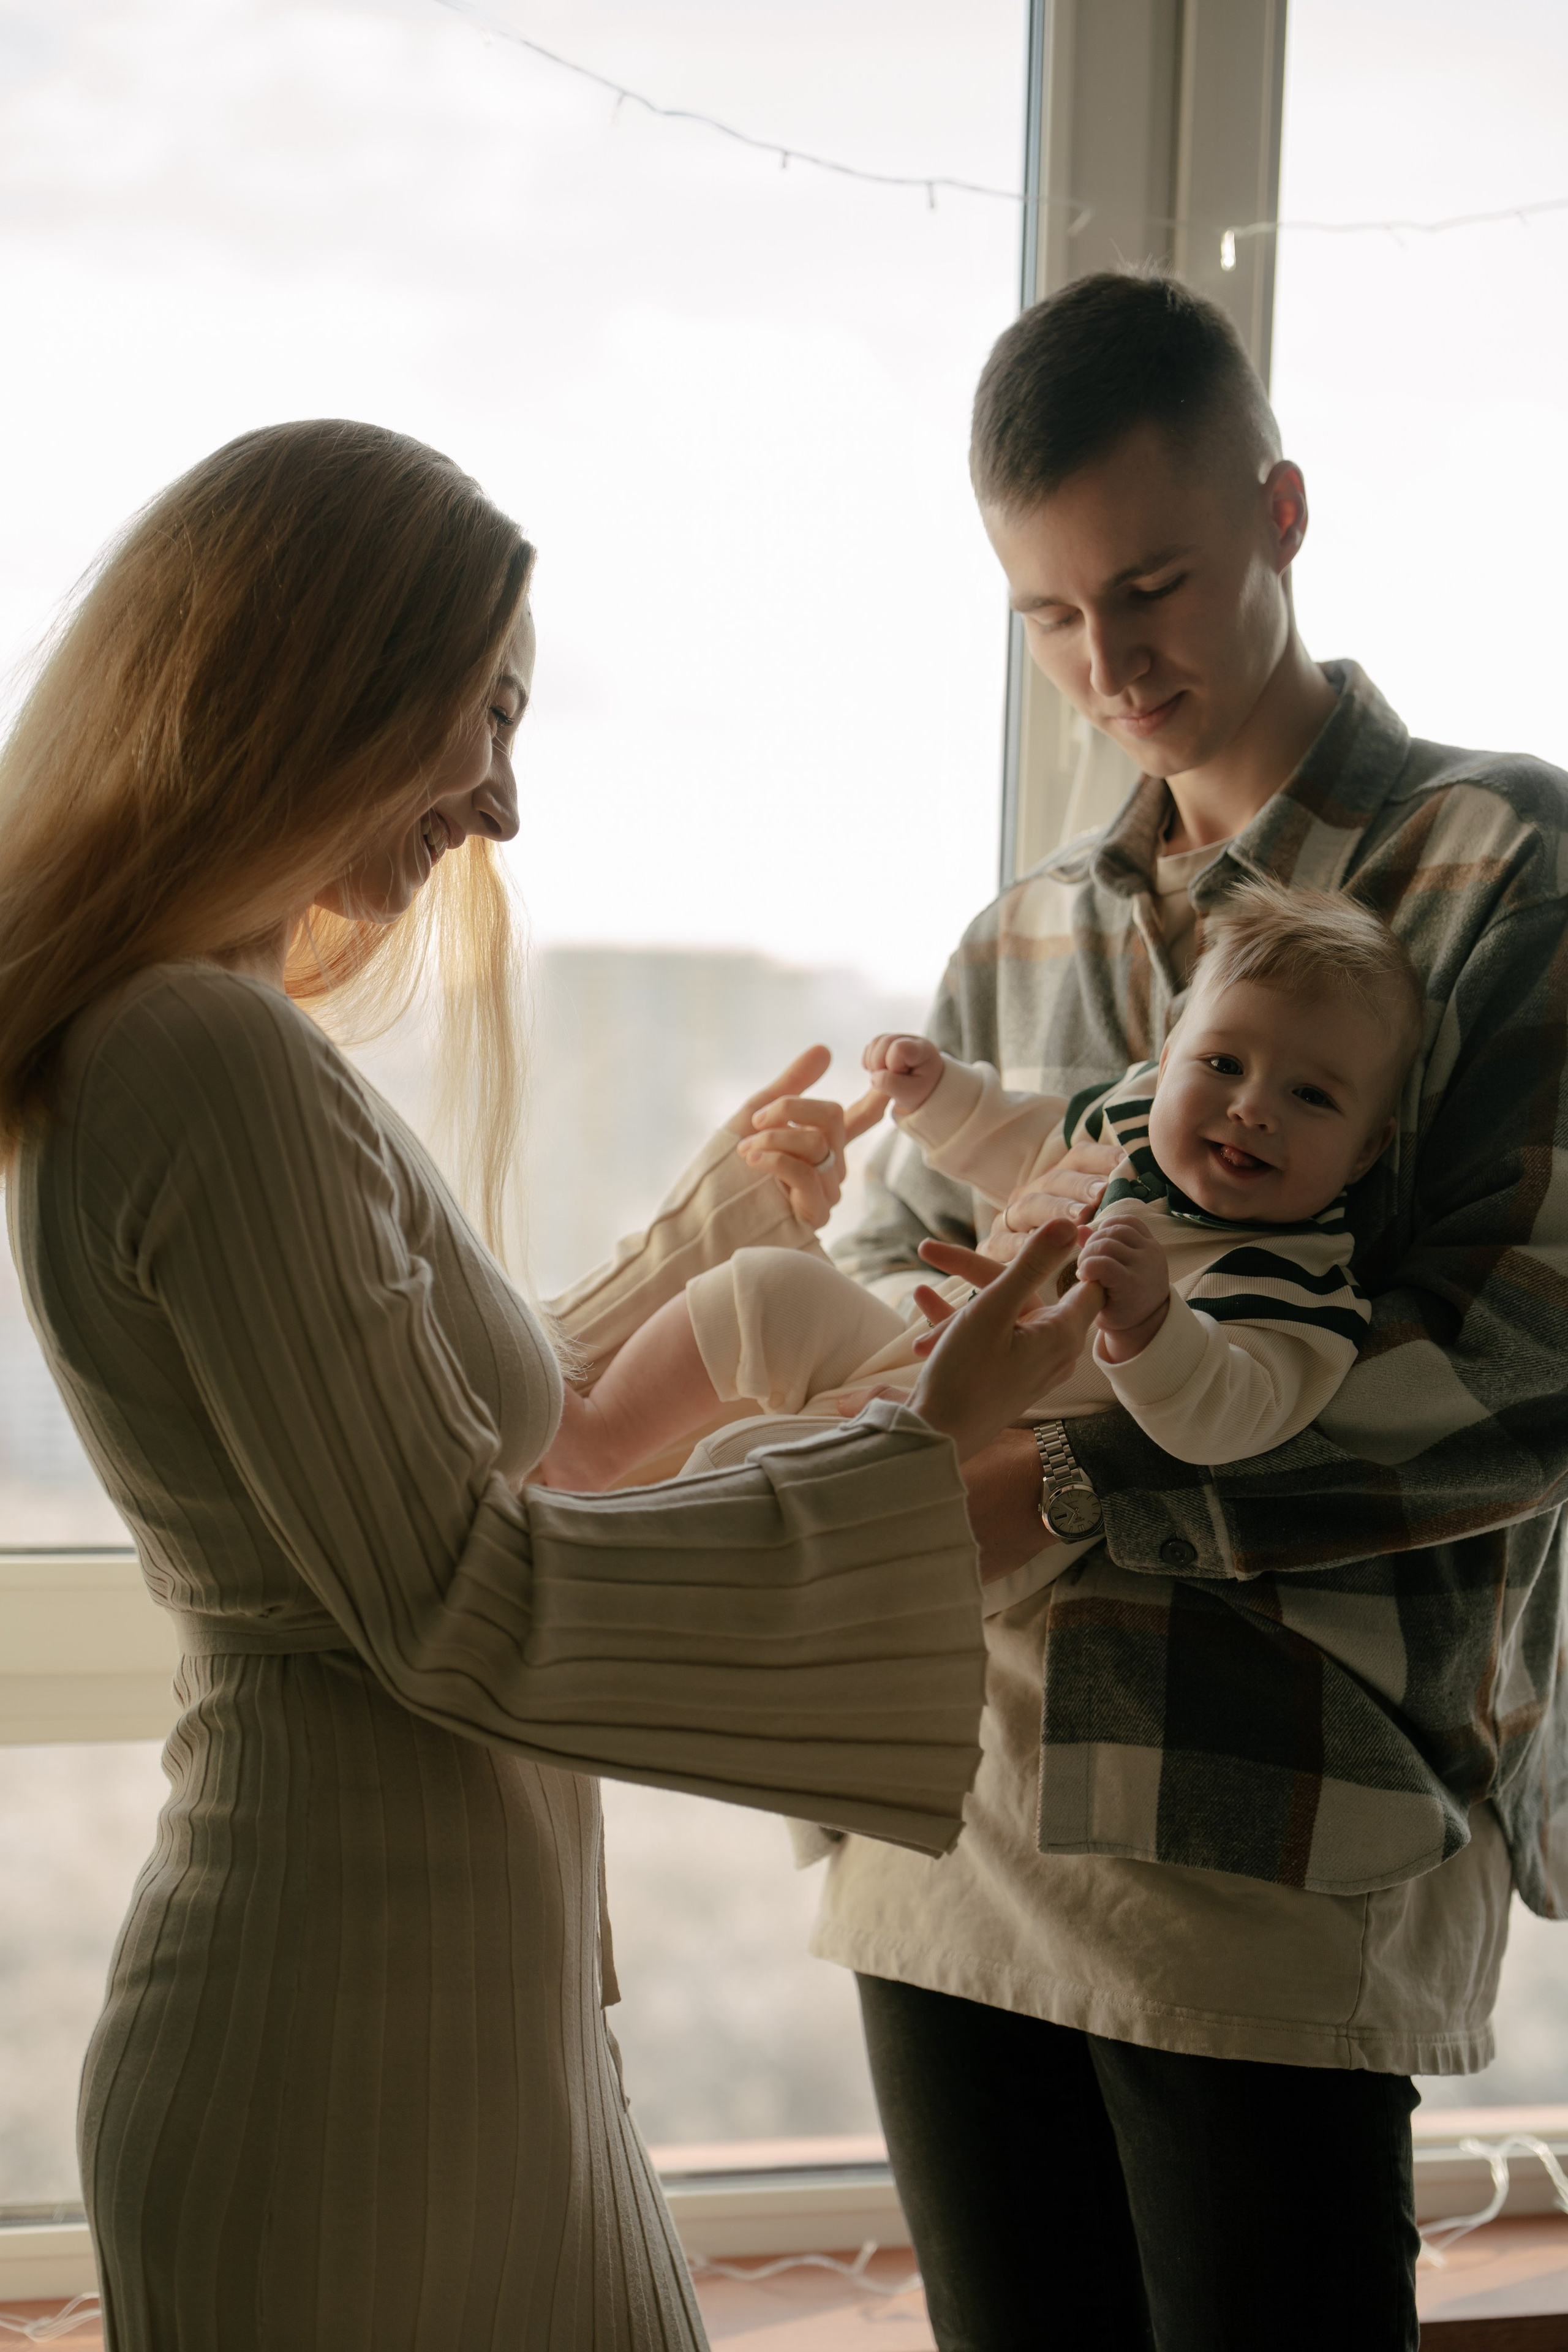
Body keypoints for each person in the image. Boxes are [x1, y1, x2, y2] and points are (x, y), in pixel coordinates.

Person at [0, 419, 1093, 2352]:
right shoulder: (205, 1057)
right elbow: (458, 1591)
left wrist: (704, 1235)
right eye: (483, 714)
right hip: (355, 2059)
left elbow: (432, 1445)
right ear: (322, 677)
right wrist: (932, 1458)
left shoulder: (193, 1039)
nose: (502, 804)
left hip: (427, 2024)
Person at [800, 270, 1568, 2352]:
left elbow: (1521, 1372)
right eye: (1051, 617)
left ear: (1283, 513)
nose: (1110, 665)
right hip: (951, 1817)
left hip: (1277, 1832)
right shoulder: (1020, 936)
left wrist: (1053, 1476)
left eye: (1152, 588)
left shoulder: (1506, 868)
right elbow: (886, 1284)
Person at [540, 884, 1420, 1570]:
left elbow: (1231, 1419)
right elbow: (1027, 1144)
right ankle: (595, 1443)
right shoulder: (1131, 1121)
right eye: (1222, 1063)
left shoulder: (1296, 1282)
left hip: (977, 1462)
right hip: (906, 1346)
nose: (1253, 1107)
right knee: (773, 1285)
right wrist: (940, 1096)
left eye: (1311, 1095)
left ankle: (626, 1571)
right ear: (1166, 1062)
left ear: (1366, 1151)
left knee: (765, 1480)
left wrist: (1155, 1325)